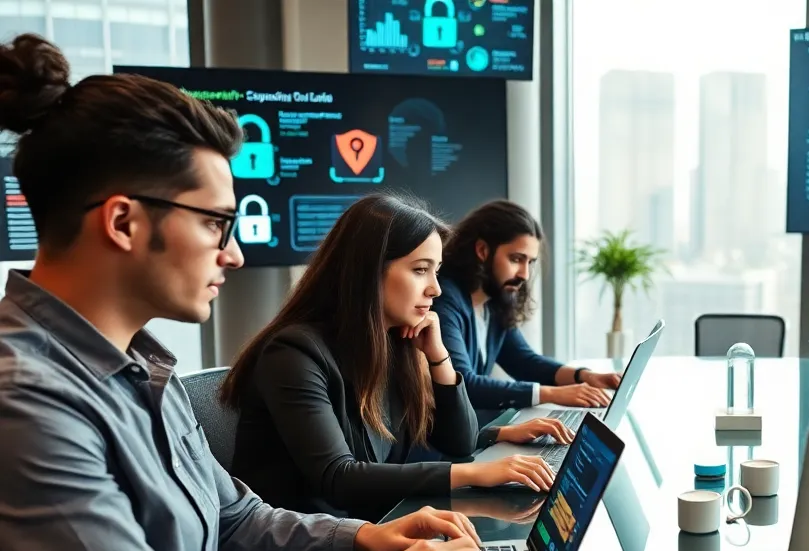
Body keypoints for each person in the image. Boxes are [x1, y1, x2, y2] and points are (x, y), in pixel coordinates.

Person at [0, 35, 497, 551]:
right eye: (215, 223)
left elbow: (234, 516)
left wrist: (364, 540)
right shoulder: (27, 403)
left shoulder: (142, 366)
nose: (233, 253)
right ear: (123, 222)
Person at [221, 194, 572, 520]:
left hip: (365, 531)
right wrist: (473, 472)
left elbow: (457, 441)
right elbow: (338, 476)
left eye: (436, 271)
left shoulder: (392, 343)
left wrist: (439, 359)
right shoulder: (294, 354)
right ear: (369, 271)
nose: (435, 288)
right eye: (421, 270)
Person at [434, 200, 621, 412]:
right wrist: (552, 394)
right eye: (516, 259)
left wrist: (584, 376)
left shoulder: (495, 301)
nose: (524, 274)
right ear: (482, 250)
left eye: (530, 262)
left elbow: (524, 361)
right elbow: (464, 384)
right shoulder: (444, 299)